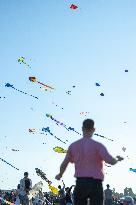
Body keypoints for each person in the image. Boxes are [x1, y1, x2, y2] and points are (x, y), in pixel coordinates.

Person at [55, 119, 124, 205]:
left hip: (81, 183)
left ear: (82, 128)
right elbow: (110, 161)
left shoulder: (74, 146)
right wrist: (117, 159)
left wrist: (60, 174)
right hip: (96, 184)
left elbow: (64, 163)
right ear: (93, 129)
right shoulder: (98, 146)